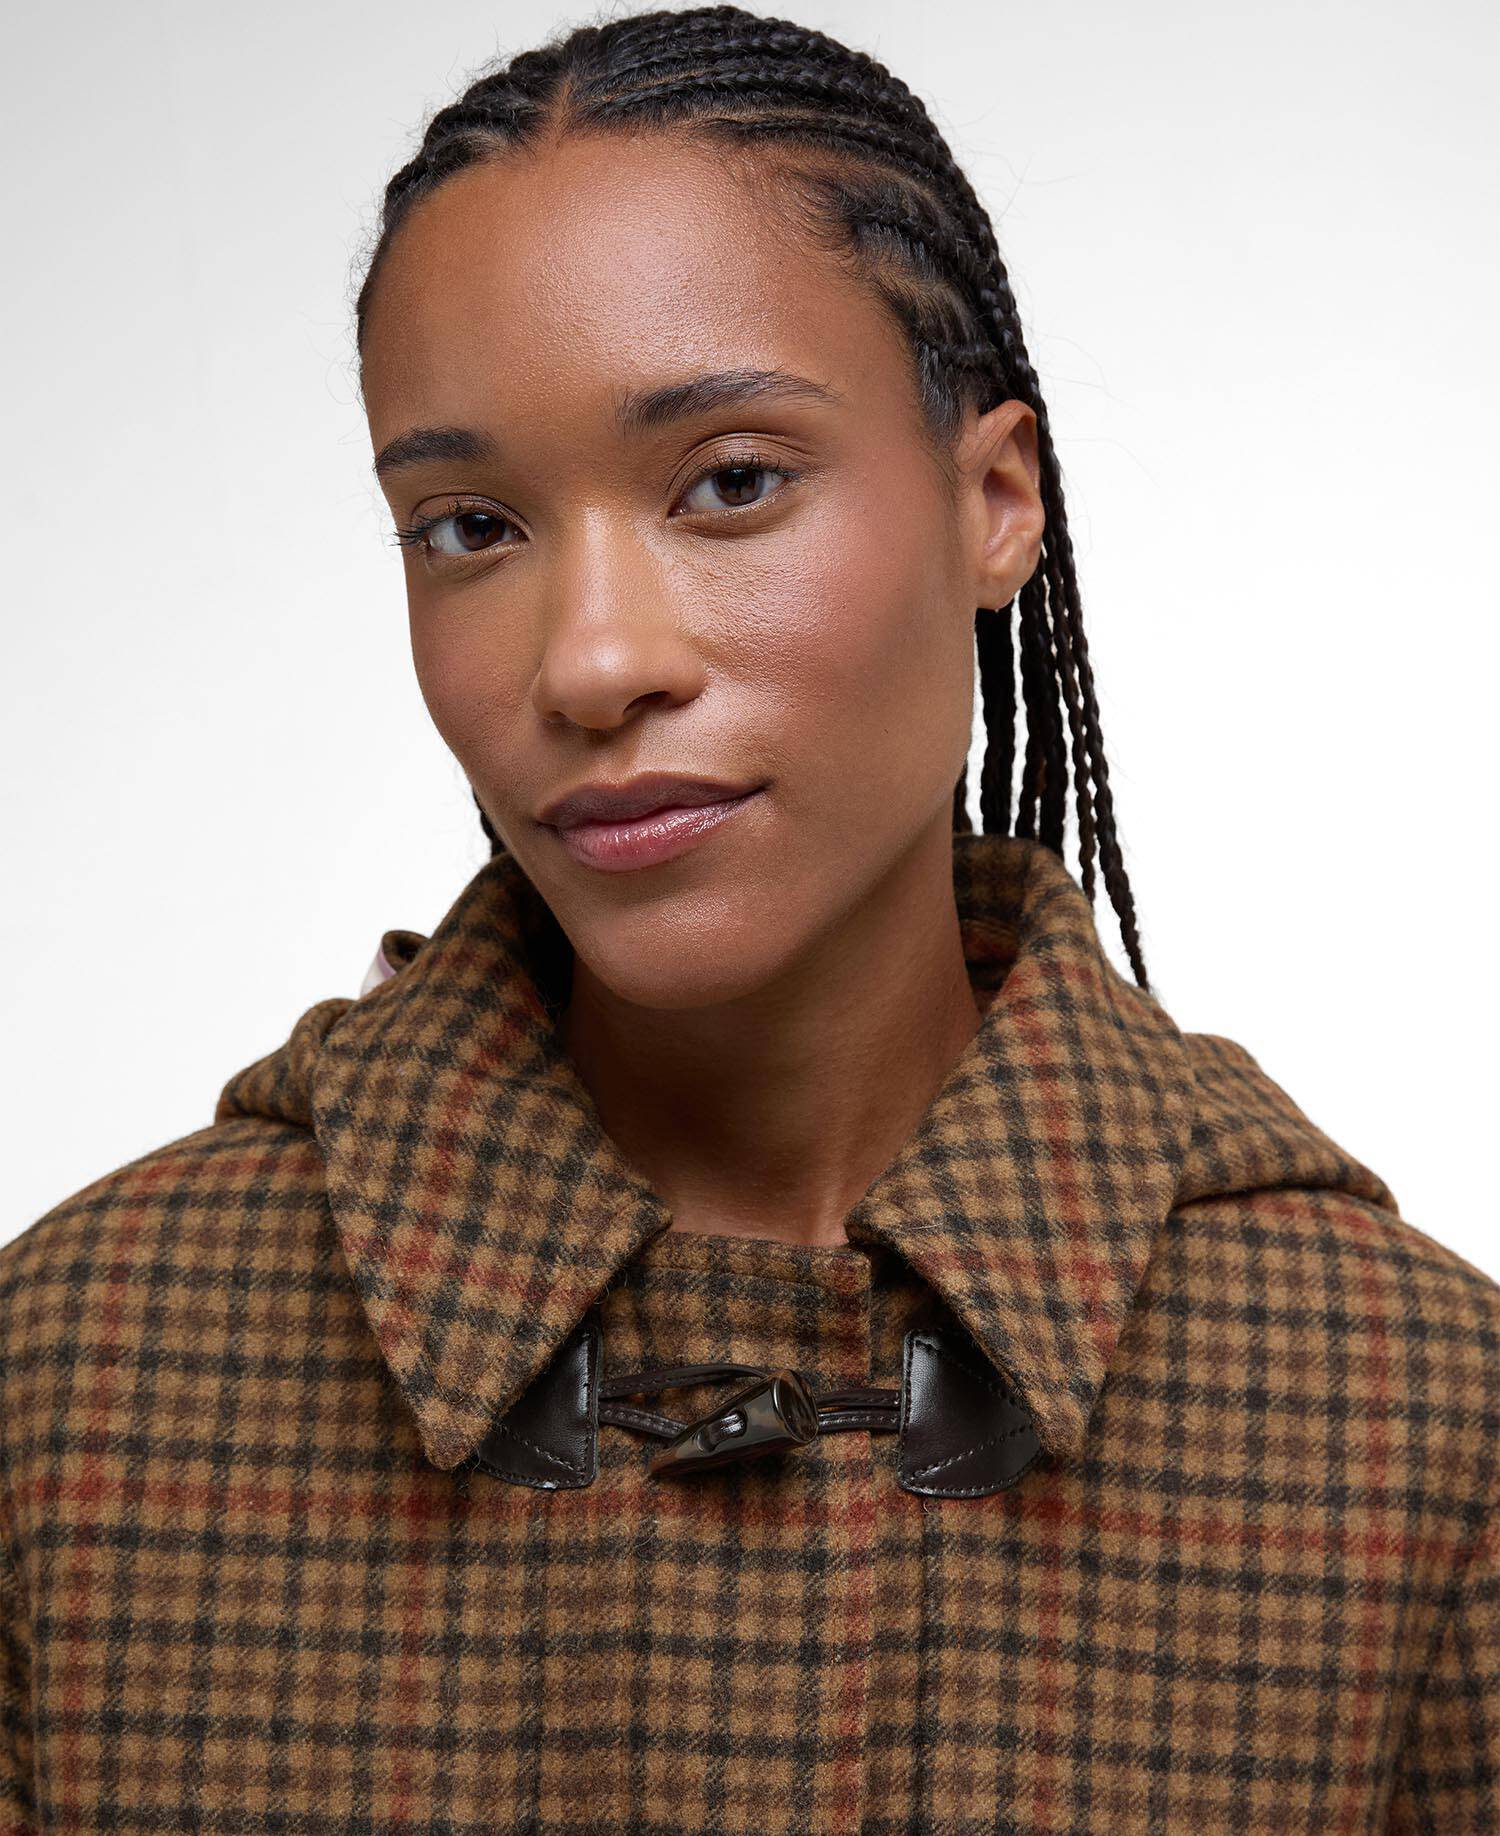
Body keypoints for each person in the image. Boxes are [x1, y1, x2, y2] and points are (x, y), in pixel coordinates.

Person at [2, 7, 1494, 1831]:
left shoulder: (1421, 1431)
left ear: (994, 501)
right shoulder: (72, 1385)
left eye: (731, 482)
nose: (591, 662)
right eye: (469, 526)